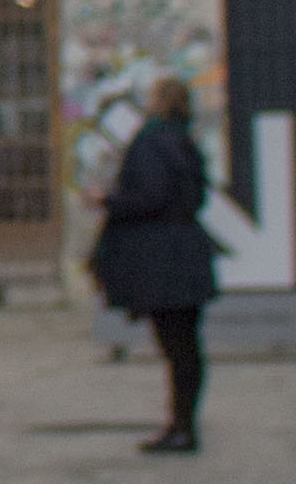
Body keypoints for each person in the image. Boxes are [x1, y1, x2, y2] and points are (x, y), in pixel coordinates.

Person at [89, 70, 219, 454]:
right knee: (187, 346)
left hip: (161, 258)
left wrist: (106, 200)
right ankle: (184, 424)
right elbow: (197, 197)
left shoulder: (151, 141)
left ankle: (181, 428)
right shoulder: (186, 142)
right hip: (188, 252)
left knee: (175, 346)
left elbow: (148, 196)